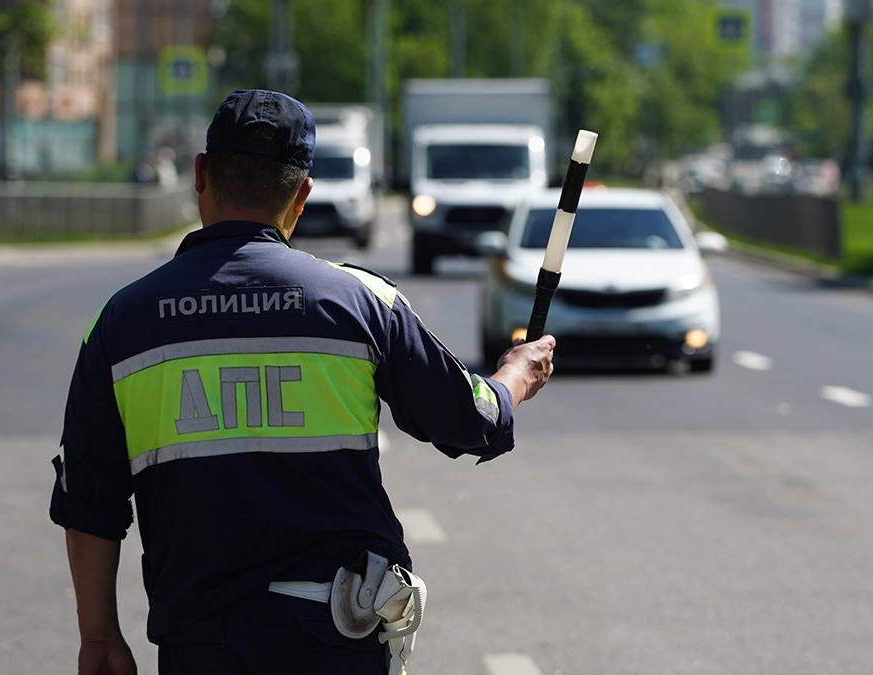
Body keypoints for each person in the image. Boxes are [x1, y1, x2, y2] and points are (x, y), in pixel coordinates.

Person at [49, 90, 556, 675]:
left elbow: (88, 498)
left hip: (199, 647)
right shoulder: (362, 303)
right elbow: (473, 421)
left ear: (200, 174)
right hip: (338, 642)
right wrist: (516, 373)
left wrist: (99, 637)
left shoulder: (121, 323)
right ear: (303, 193)